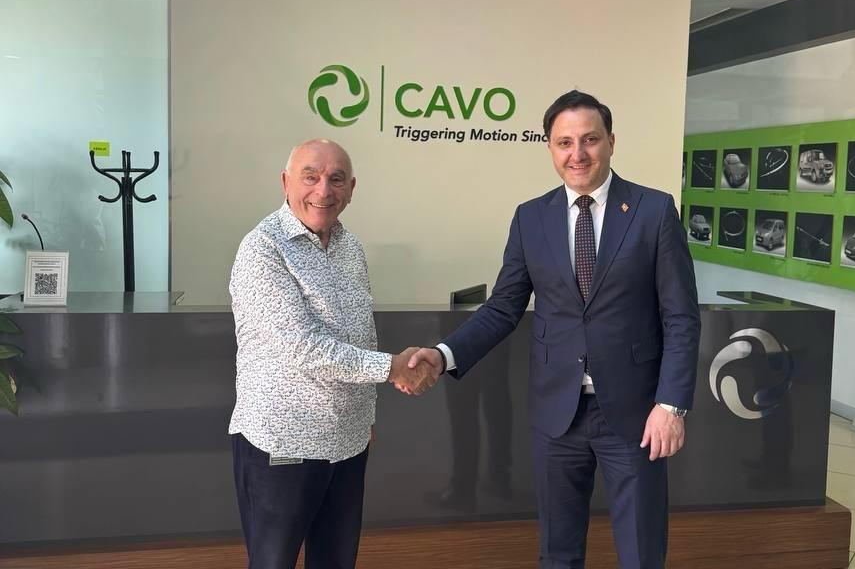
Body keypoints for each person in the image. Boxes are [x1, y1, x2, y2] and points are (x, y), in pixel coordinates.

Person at [408, 91, 701, 569]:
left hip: (636, 414)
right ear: (550, 148)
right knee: (558, 552)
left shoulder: (653, 211)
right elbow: (503, 307)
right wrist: (444, 355)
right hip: (556, 415)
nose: (577, 153)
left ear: (611, 142)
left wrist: (671, 405)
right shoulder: (531, 217)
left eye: (590, 140)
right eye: (564, 142)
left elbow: (681, 317)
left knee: (642, 551)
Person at [228, 139, 439, 569]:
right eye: (310, 177)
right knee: (272, 562)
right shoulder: (262, 249)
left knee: (336, 560)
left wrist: (365, 416)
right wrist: (392, 368)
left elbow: (362, 333)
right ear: (286, 182)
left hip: (347, 442)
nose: (323, 190)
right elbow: (303, 346)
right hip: (283, 443)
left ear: (351, 188)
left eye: (336, 179)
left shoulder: (350, 248)